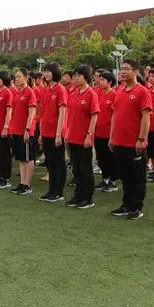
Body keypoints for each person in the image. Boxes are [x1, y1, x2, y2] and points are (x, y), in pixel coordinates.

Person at [109, 58, 153, 220]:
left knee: (137, 178)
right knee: (125, 176)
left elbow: (146, 117)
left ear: (135, 72)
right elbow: (115, 115)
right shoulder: (119, 91)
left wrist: (141, 139)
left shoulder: (142, 91)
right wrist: (112, 137)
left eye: (126, 68)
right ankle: (126, 204)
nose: (122, 71)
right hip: (119, 142)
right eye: (122, 68)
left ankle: (136, 207)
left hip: (134, 143)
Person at [65, 65, 100, 209]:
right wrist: (67, 133)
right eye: (74, 75)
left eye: (78, 75)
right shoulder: (74, 94)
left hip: (84, 138)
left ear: (86, 77)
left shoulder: (91, 94)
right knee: (76, 169)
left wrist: (89, 135)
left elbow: (94, 116)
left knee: (86, 169)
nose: (75, 78)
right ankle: (78, 195)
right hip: (72, 137)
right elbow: (70, 116)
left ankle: (87, 198)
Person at [36, 62, 69, 202]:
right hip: (46, 132)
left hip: (56, 133)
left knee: (58, 162)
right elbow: (42, 113)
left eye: (49, 71)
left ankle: (58, 192)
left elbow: (62, 113)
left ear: (55, 72)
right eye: (45, 71)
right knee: (49, 162)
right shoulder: (45, 90)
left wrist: (58, 134)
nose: (46, 73)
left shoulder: (60, 89)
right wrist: (41, 133)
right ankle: (51, 190)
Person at [9, 68, 38, 195]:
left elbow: (32, 113)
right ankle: (22, 182)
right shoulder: (17, 93)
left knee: (28, 158)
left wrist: (27, 129)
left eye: (19, 76)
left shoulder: (29, 92)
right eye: (16, 77)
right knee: (21, 158)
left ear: (26, 77)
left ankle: (27, 184)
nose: (16, 79)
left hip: (25, 131)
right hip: (16, 130)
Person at [94, 70, 118, 193]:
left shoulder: (114, 95)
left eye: (103, 80)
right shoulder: (99, 94)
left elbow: (116, 115)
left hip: (109, 133)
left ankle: (113, 181)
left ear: (110, 82)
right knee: (101, 158)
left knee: (111, 158)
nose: (100, 81)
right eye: (100, 79)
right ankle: (105, 179)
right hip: (98, 132)